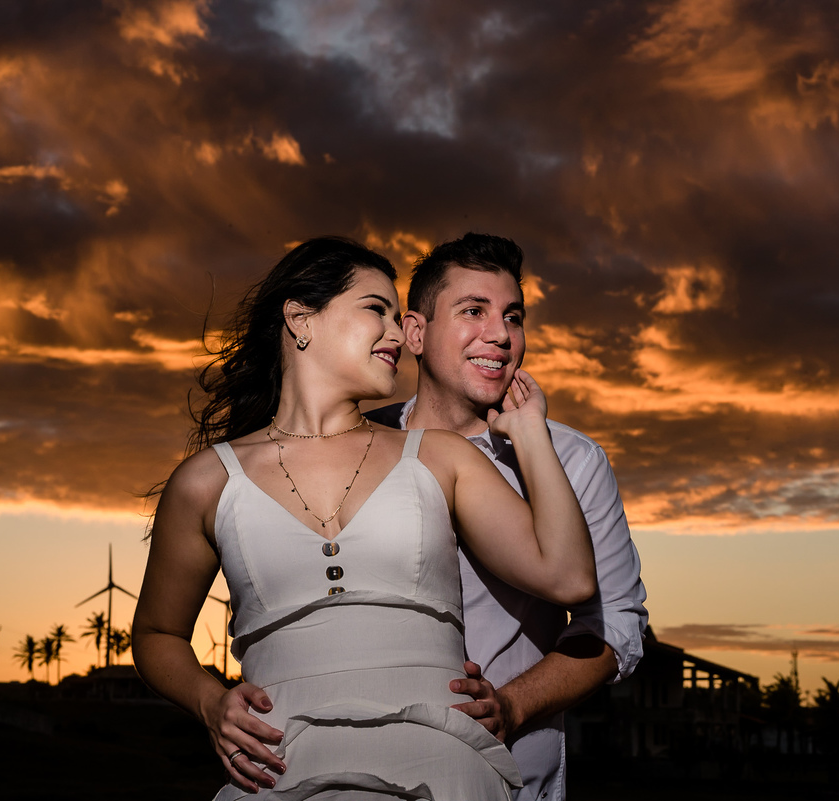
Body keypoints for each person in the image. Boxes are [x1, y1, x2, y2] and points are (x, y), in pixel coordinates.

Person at [132, 236, 598, 801]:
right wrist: (209, 702)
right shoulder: (206, 482)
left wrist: (530, 433)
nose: (400, 334)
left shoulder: (438, 456)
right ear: (301, 319)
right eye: (376, 309)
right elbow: (157, 634)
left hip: (445, 771)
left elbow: (569, 577)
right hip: (279, 772)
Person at [367, 233, 647, 801]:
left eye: (513, 317)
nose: (500, 334)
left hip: (509, 781)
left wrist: (514, 703)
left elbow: (615, 625)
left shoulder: (572, 460)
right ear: (415, 333)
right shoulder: (356, 444)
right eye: (474, 310)